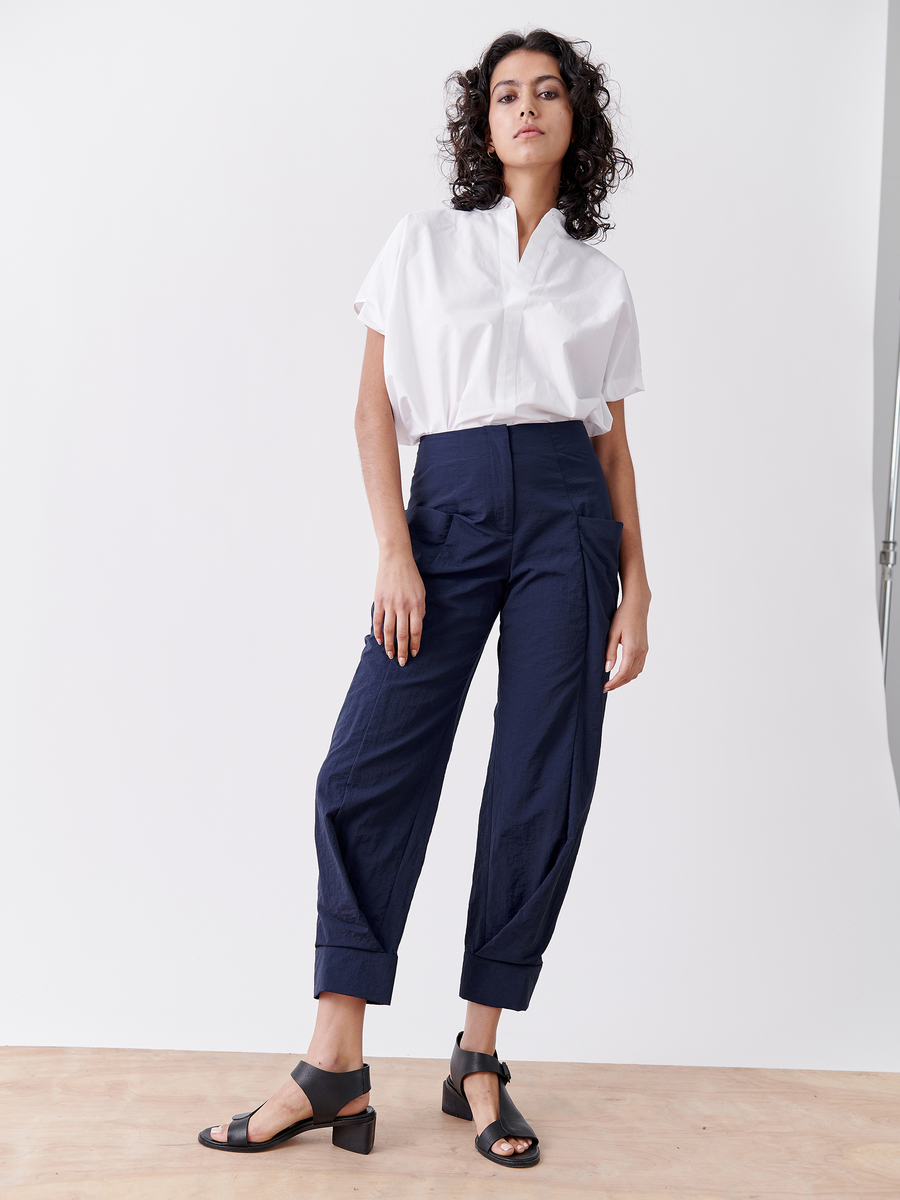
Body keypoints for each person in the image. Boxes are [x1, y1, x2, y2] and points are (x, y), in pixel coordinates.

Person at [198, 27, 650, 1169]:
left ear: (573, 119)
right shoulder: (422, 243)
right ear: (482, 120)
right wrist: (393, 552)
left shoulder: (601, 281)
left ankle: (480, 1057)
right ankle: (334, 1060)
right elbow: (370, 413)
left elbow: (614, 454)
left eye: (548, 92)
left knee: (539, 779)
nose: (527, 107)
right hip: (441, 510)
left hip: (566, 520)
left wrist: (638, 581)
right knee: (366, 765)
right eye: (507, 93)